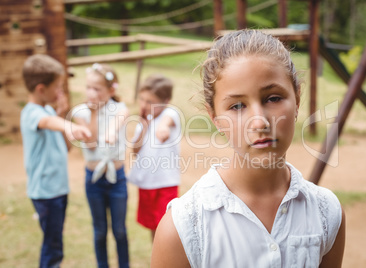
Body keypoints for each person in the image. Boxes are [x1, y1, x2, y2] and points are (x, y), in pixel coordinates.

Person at [151, 30, 346, 267]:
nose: (260, 121)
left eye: (273, 98)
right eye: (237, 106)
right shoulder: (182, 228)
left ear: (297, 98)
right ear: (214, 117)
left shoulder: (326, 213)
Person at [20, 54, 91, 268]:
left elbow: (65, 147)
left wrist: (62, 115)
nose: (60, 91)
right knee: (53, 248)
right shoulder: (31, 113)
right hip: (46, 192)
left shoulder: (50, 110)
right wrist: (69, 126)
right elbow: (47, 122)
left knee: (55, 241)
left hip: (57, 190)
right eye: (57, 87)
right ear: (41, 89)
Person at [72, 63, 130, 268]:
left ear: (111, 90)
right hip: (93, 180)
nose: (91, 92)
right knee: (99, 231)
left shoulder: (120, 108)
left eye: (96, 89)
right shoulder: (80, 112)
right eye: (88, 87)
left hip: (117, 178)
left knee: (120, 230)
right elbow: (90, 141)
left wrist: (112, 132)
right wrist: (94, 113)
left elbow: (118, 121)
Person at [128, 74, 181, 242]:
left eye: (150, 102)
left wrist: (162, 128)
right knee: (153, 227)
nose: (144, 105)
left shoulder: (170, 113)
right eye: (142, 99)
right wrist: (144, 126)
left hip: (165, 182)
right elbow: (135, 150)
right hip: (147, 182)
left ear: (165, 101)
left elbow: (167, 121)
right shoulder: (145, 121)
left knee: (167, 227)